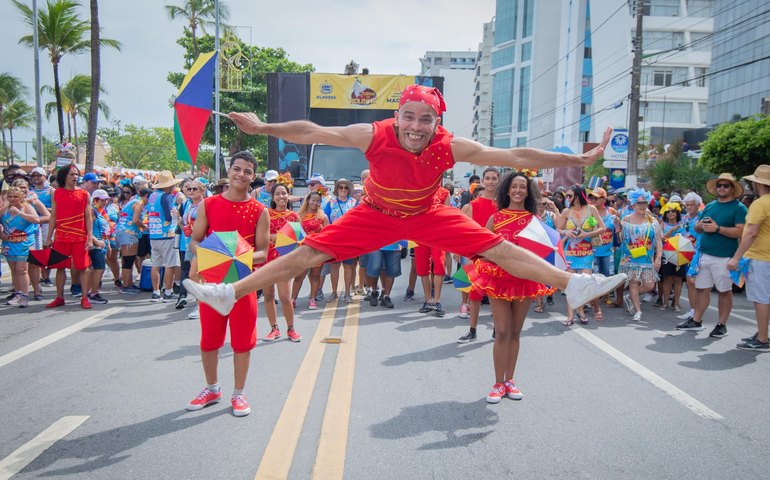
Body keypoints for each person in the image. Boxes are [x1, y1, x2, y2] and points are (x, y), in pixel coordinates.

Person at [183, 85, 626, 321]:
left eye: (426, 119)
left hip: (428, 213)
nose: (416, 126)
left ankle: (573, 284)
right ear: (397, 117)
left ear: (438, 121)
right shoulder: (373, 134)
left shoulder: (450, 146)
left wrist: (578, 158)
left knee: (498, 248)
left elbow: (517, 157)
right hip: (375, 213)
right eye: (409, 117)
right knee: (306, 253)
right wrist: (262, 128)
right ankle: (230, 293)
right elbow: (311, 130)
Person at [185, 151, 270, 417]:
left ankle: (239, 393)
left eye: (247, 171)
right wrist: (202, 264)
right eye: (237, 168)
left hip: (242, 284)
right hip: (212, 283)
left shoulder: (260, 211)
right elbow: (196, 241)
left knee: (242, 342)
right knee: (209, 340)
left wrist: (236, 256)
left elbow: (263, 253)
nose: (241, 174)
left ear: (253, 177)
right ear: (229, 171)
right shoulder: (208, 205)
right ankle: (212, 388)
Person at [470, 172, 555, 403]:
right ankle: (498, 383)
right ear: (507, 190)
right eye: (514, 186)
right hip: (499, 279)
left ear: (528, 192)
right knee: (503, 331)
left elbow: (543, 251)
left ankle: (510, 381)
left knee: (516, 332)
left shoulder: (534, 220)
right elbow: (483, 249)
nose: (518, 190)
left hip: (524, 279)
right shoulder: (495, 218)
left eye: (523, 187)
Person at [676, 174, 747, 337]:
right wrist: (701, 225)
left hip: (724, 256)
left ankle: (722, 324)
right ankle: (696, 320)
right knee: (702, 289)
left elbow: (741, 231)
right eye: (719, 185)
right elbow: (699, 227)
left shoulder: (739, 208)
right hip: (704, 254)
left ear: (732, 189)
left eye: (726, 186)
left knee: (724, 291)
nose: (722, 188)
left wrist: (718, 228)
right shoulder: (709, 206)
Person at [729, 165, 770, 351]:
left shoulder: (760, 204)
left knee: (761, 298)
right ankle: (761, 333)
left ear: (757, 184)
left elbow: (750, 233)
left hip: (761, 257)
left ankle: (762, 339)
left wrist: (736, 258)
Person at [457, 168, 500, 341]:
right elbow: (461, 231)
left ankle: (498, 329)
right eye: (487, 178)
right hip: (476, 255)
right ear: (482, 181)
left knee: (497, 294)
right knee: (474, 293)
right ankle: (472, 330)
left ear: (498, 180)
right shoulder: (471, 206)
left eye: (494, 178)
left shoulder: (504, 205)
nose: (490, 181)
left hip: (498, 254)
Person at [45, 165, 94, 309]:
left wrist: (90, 237)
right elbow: (53, 215)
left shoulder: (84, 194)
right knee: (60, 268)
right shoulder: (57, 193)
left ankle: (84, 298)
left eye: (76, 174)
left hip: (79, 237)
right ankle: (59, 297)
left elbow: (88, 217)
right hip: (61, 237)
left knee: (83, 267)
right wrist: (49, 237)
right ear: (64, 176)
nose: (75, 177)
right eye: (72, 174)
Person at [556, 185, 605, 325]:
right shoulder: (566, 211)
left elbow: (603, 228)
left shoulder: (591, 209)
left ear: (579, 196)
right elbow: (558, 228)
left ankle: (581, 310)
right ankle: (571, 316)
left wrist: (587, 234)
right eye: (567, 196)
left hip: (586, 251)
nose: (568, 199)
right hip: (570, 252)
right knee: (570, 285)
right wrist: (566, 232)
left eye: (570, 196)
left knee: (585, 283)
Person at [261, 182, 302, 342]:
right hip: (267, 259)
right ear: (273, 197)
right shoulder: (266, 214)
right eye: (277, 194)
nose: (281, 196)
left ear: (288, 195)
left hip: (284, 261)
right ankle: (274, 329)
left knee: (285, 296)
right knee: (268, 295)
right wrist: (270, 237)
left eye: (284, 193)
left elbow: (300, 239)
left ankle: (291, 329)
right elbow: (260, 235)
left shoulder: (294, 216)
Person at [618, 189, 662, 321]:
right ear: (633, 205)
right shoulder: (626, 219)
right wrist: (617, 229)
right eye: (639, 203)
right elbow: (621, 238)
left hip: (647, 258)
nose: (642, 206)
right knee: (633, 283)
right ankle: (638, 310)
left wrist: (658, 258)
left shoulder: (652, 221)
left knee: (650, 285)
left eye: (644, 203)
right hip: (630, 257)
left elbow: (658, 241)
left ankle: (631, 296)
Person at [0, 186, 42, 307]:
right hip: (9, 243)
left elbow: (36, 220)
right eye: (10, 197)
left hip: (24, 243)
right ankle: (18, 294)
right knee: (14, 271)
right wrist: (1, 233)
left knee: (22, 270)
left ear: (21, 197)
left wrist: (19, 213)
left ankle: (25, 295)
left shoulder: (27, 207)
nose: (13, 199)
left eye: (15, 197)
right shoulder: (4, 210)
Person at [147, 171, 184, 301]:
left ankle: (156, 292)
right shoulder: (166, 197)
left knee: (155, 264)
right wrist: (176, 213)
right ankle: (168, 292)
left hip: (153, 234)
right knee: (170, 264)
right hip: (167, 234)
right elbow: (169, 215)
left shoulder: (152, 196)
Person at [291, 189, 329, 310]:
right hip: (303, 249)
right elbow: (294, 233)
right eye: (313, 200)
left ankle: (312, 299)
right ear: (308, 201)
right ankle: (293, 299)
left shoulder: (323, 216)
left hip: (318, 250)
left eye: (318, 201)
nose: (315, 203)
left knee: (315, 275)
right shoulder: (299, 216)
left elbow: (328, 233)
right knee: (299, 276)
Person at [322, 178, 358, 303]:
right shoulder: (331, 203)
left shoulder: (354, 203)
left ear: (349, 190)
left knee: (348, 267)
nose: (343, 190)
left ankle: (347, 293)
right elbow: (325, 218)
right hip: (334, 239)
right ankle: (334, 292)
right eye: (340, 187)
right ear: (337, 189)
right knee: (334, 267)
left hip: (349, 240)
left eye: (346, 187)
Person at [588, 186, 616, 319]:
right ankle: (594, 299)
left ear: (604, 199)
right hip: (593, 249)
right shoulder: (589, 211)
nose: (593, 200)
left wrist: (618, 224)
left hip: (608, 250)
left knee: (608, 275)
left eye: (596, 198)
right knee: (594, 275)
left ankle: (607, 296)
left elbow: (618, 229)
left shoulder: (611, 212)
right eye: (591, 197)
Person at [114, 184, 143, 295]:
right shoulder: (137, 203)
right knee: (128, 260)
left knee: (127, 259)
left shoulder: (129, 203)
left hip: (122, 231)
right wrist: (144, 226)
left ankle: (129, 283)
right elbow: (136, 220)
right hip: (128, 233)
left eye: (128, 192)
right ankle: (126, 286)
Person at [657, 202, 686, 312]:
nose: (670, 213)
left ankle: (676, 303)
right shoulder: (662, 225)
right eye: (668, 211)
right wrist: (671, 231)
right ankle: (665, 303)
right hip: (666, 255)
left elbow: (687, 237)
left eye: (673, 211)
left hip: (680, 254)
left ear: (677, 212)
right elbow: (661, 239)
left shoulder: (683, 224)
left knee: (678, 279)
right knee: (667, 279)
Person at [86, 189, 113, 304]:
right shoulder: (92, 211)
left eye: (106, 200)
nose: (105, 202)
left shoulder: (102, 211)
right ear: (95, 200)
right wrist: (96, 241)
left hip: (102, 245)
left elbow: (106, 230)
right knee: (98, 269)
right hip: (96, 245)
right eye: (102, 200)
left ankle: (92, 291)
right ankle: (93, 293)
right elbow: (87, 229)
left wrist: (108, 245)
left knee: (98, 269)